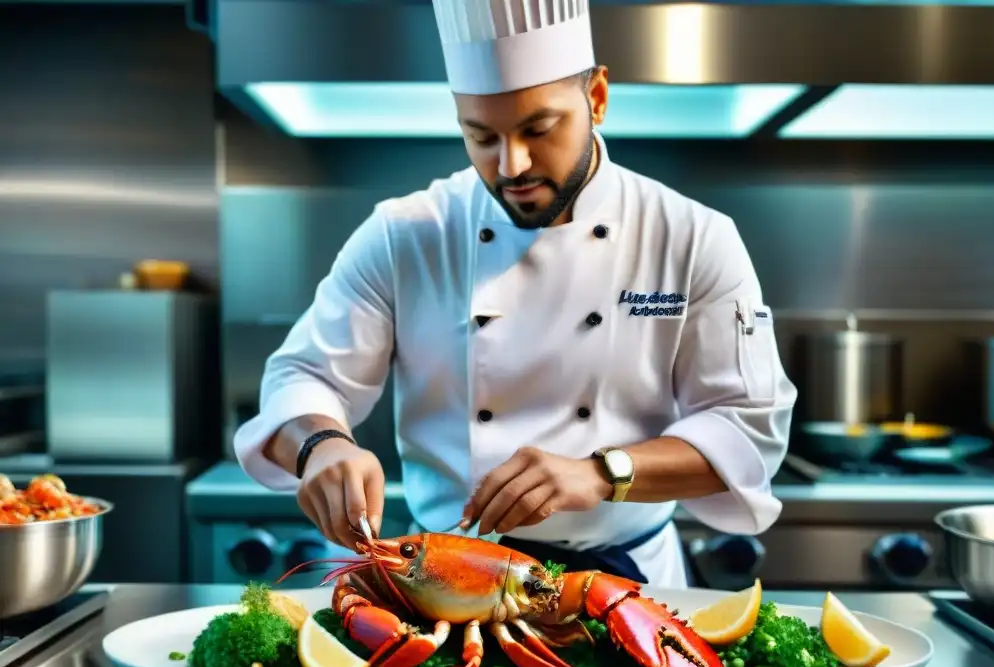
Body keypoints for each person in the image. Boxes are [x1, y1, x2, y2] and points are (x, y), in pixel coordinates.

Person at [233, 0, 797, 589]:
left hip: (628, 586)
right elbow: (302, 376)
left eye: (538, 129)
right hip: (449, 587)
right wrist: (320, 446)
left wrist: (606, 473)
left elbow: (747, 428)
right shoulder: (406, 234)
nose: (512, 165)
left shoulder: (691, 237)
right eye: (481, 137)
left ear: (597, 98)